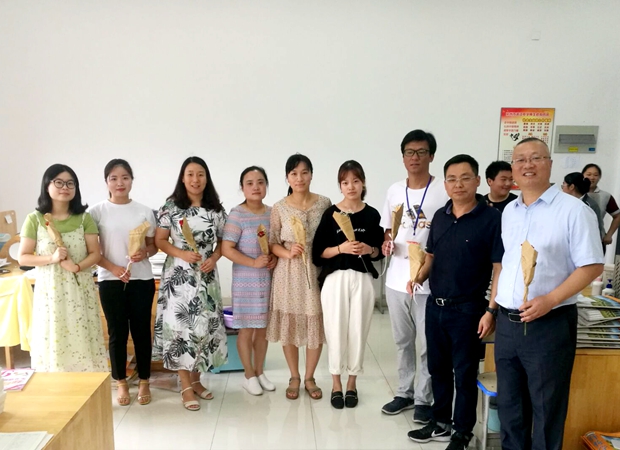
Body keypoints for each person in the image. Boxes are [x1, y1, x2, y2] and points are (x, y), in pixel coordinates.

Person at [496, 138, 604, 450]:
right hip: (507, 324)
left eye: (536, 158)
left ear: (550, 164)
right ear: (513, 167)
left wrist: (551, 299)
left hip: (549, 324)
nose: (528, 165)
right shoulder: (510, 211)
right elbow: (507, 262)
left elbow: (592, 265)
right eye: (520, 160)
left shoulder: (574, 211)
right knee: (510, 408)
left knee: (546, 410)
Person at [406, 155, 502, 449]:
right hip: (435, 306)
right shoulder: (440, 216)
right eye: (452, 179)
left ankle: (462, 431)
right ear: (445, 184)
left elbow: (499, 268)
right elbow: (431, 256)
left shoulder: (491, 219)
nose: (458, 184)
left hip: (468, 309)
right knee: (437, 368)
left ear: (477, 181)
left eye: (465, 178)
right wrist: (418, 277)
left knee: (464, 373)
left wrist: (490, 310)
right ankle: (440, 422)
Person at [380, 130, 449, 422]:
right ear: (403, 157)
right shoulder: (395, 190)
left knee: (427, 344)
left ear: (431, 156)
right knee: (402, 341)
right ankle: (404, 392)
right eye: (409, 152)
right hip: (397, 278)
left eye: (421, 152)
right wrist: (386, 243)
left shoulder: (444, 190)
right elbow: (389, 230)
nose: (415, 158)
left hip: (429, 281)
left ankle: (424, 398)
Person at [152, 156, 228, 411]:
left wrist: (214, 258)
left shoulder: (216, 209)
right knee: (182, 329)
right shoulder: (171, 207)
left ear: (207, 178)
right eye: (190, 174)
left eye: (200, 174)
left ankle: (196, 380)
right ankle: (184, 385)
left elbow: (224, 243)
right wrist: (182, 254)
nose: (196, 180)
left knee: (203, 327)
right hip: (179, 276)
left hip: (206, 276)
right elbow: (160, 241)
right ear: (183, 178)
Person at [18, 164, 107, 372]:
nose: (65, 187)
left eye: (70, 183)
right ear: (47, 186)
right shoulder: (35, 219)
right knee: (54, 340)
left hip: (80, 290)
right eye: (59, 182)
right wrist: (52, 258)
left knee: (81, 340)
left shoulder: (84, 218)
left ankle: (86, 388)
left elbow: (95, 253)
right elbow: (23, 257)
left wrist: (77, 266)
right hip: (50, 292)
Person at [312, 160, 385, 409]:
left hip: (362, 279)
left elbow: (379, 252)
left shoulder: (372, 214)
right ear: (340, 186)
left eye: (355, 181)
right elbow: (318, 253)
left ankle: (352, 383)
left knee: (358, 330)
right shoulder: (331, 214)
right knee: (335, 330)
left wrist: (369, 249)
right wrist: (341, 248)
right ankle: (336, 384)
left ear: (363, 183)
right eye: (345, 182)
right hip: (335, 279)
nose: (351, 186)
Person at [90, 159, 158, 406]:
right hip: (110, 280)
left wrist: (145, 253)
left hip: (141, 279)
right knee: (117, 333)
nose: (120, 183)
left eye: (125, 178)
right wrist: (113, 268)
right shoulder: (96, 212)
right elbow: (92, 250)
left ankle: (144, 380)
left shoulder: (144, 211)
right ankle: (120, 382)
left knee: (141, 332)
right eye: (114, 178)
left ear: (132, 180)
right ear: (106, 182)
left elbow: (153, 246)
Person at [266, 154, 331, 400]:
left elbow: (330, 236)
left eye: (304, 172)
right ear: (287, 178)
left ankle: (310, 377)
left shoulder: (324, 203)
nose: (299, 178)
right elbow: (272, 242)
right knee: (290, 324)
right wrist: (288, 252)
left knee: (315, 321)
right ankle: (294, 376)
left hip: (315, 269)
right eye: (294, 173)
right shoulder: (279, 207)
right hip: (288, 272)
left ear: (311, 174)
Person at [221, 166, 277, 396]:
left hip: (267, 280)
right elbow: (227, 248)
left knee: (262, 330)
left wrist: (273, 258)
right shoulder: (237, 214)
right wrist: (253, 262)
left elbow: (275, 244)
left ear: (266, 186)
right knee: (246, 330)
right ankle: (248, 375)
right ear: (242, 188)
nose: (256, 187)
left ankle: (260, 371)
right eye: (250, 183)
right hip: (245, 281)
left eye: (260, 182)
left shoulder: (272, 213)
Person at [582, 163, 620, 247]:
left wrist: (609, 235)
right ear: (582, 175)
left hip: (597, 240)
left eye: (595, 175)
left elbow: (617, 216)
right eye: (588, 174)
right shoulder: (574, 193)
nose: (592, 178)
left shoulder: (605, 196)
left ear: (599, 177)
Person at [562, 172, 605, 239]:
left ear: (571, 187)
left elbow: (596, 229)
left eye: (564, 185)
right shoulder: (563, 202)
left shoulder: (590, 205)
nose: (562, 189)